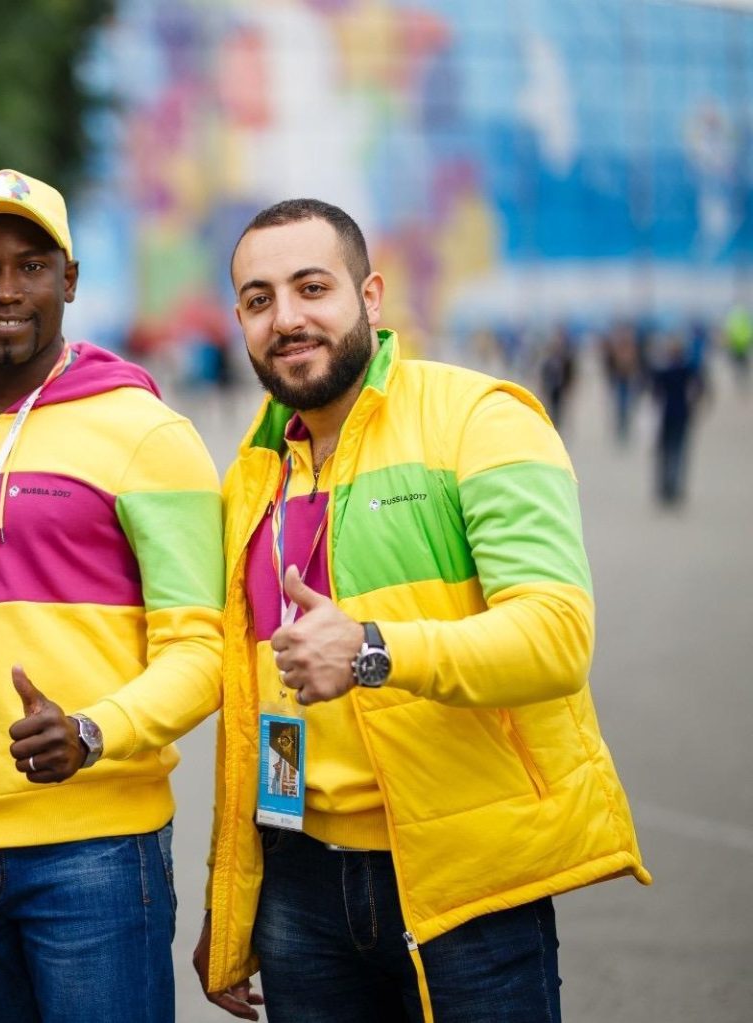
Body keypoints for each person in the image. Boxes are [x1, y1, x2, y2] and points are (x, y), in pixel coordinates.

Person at [195, 198, 651, 1022]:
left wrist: (371, 648)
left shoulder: (481, 419)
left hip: (462, 879)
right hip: (297, 883)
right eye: (260, 300)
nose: (286, 318)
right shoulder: (253, 476)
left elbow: (556, 636)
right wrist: (233, 911)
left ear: (370, 297)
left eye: (311, 288)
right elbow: (235, 687)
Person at [0, 169, 224, 1023]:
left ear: (71, 281)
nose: (5, 289)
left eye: (31, 265)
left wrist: (94, 731)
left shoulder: (149, 434)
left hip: (94, 848)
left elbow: (204, 653)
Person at [648, 332, 705, 507]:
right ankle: (672, 488)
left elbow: (654, 390)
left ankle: (667, 488)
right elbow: (700, 387)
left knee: (668, 453)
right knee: (677, 453)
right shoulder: (686, 369)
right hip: (680, 415)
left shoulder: (666, 370)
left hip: (668, 415)